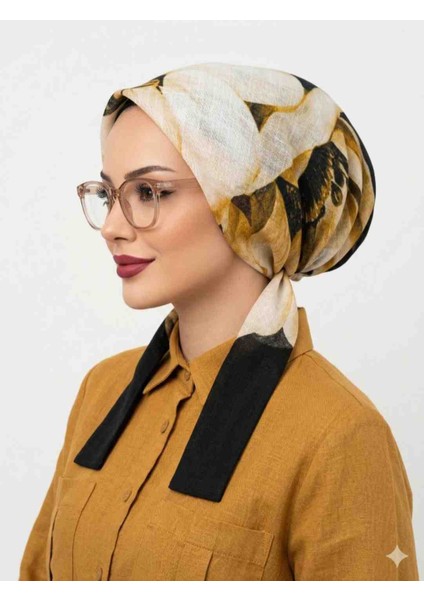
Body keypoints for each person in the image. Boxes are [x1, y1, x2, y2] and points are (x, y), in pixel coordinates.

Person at [19, 62, 419, 581]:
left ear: (250, 206)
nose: (112, 227)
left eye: (151, 192)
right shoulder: (103, 391)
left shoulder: (341, 436)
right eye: (110, 194)